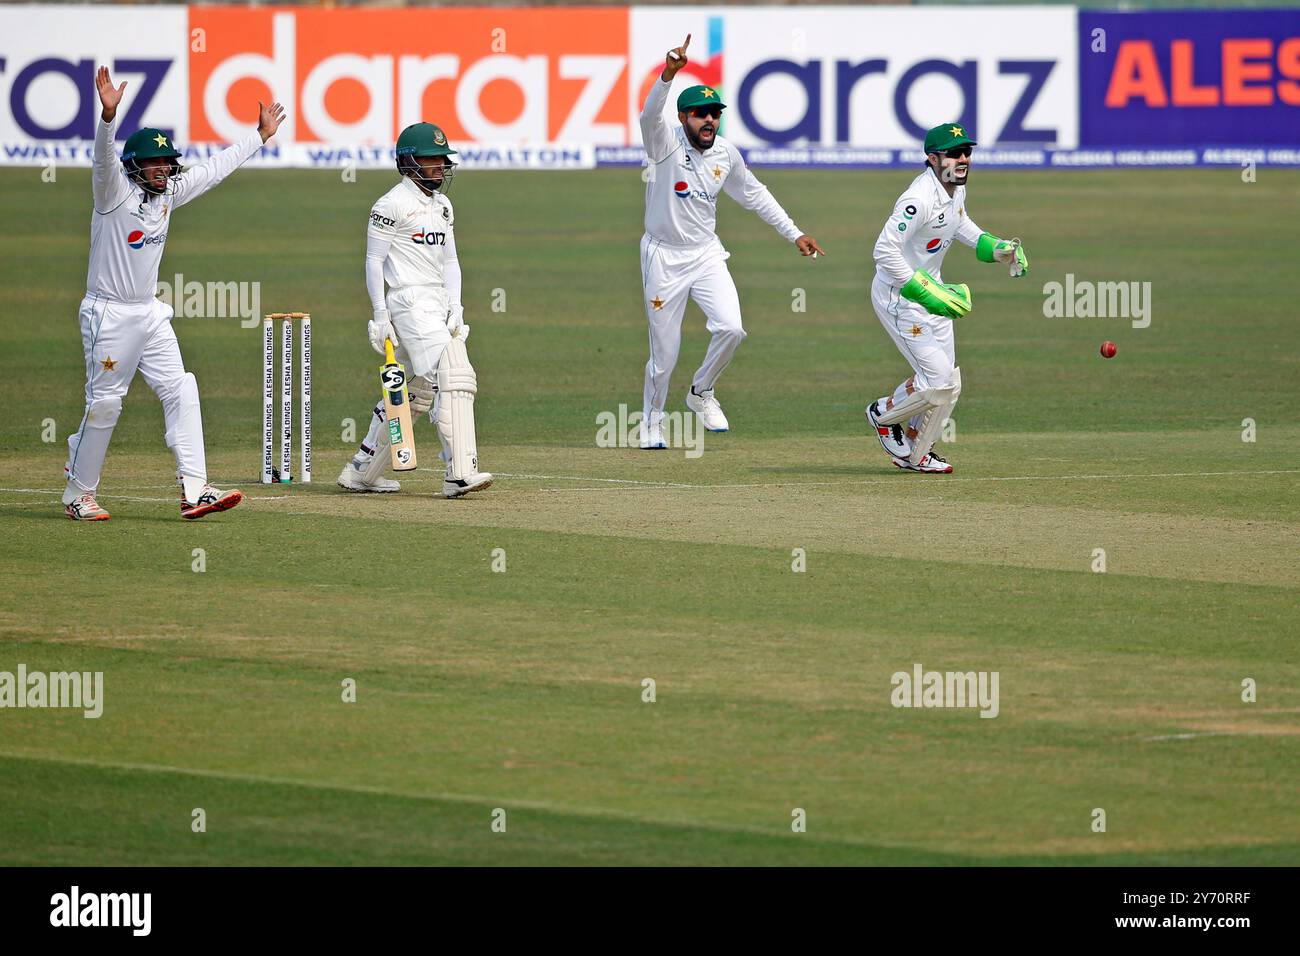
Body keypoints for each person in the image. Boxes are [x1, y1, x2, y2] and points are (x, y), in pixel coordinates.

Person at [63, 65, 284, 520]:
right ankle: (78, 494)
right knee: (104, 405)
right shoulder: (112, 193)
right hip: (108, 316)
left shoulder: (166, 195)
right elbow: (103, 158)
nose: (165, 169)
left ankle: (195, 489)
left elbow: (212, 171)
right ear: (134, 167)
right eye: (155, 163)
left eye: (167, 162)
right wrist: (107, 117)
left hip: (148, 314)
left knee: (181, 388)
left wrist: (259, 136)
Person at [637, 34, 824, 449]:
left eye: (715, 114)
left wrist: (794, 232)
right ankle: (652, 420)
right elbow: (650, 116)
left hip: (704, 254)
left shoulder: (726, 154)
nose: (709, 121)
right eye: (700, 114)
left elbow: (755, 194)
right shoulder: (664, 143)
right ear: (684, 118)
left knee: (732, 328)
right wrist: (668, 75)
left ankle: (701, 391)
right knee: (665, 353)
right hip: (663, 257)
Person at [337, 123, 492, 499]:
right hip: (407, 302)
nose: (439, 165)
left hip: (437, 303)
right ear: (408, 162)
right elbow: (374, 262)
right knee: (455, 374)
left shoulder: (443, 206)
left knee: (418, 390)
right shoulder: (390, 204)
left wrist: (456, 306)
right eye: (430, 158)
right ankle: (459, 471)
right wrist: (379, 315)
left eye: (442, 158)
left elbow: (451, 262)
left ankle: (362, 471)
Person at [866, 122, 1029, 473]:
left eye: (967, 152)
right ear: (933, 157)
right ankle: (883, 414)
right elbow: (883, 251)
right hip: (901, 297)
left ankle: (917, 453)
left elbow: (960, 223)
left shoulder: (955, 189)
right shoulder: (917, 199)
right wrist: (920, 290)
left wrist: (995, 247)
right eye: (955, 153)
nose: (963, 158)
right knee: (937, 381)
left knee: (948, 384)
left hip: (935, 292)